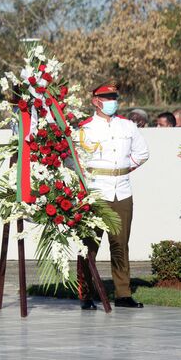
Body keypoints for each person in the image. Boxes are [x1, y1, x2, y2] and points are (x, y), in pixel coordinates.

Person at [77, 81, 149, 310]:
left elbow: (142, 153)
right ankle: (86, 294)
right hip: (96, 190)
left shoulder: (127, 126)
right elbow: (75, 159)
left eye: (114, 97)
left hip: (122, 189)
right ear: (95, 101)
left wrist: (125, 169)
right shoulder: (85, 128)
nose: (112, 102)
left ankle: (123, 293)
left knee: (120, 244)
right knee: (89, 245)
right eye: (107, 97)